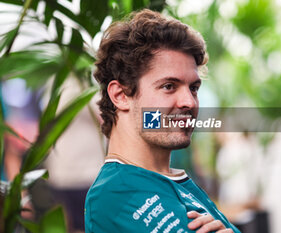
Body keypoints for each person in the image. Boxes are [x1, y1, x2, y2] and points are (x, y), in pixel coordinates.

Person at [84, 9, 241, 233]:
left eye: (194, 88)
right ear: (120, 95)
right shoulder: (113, 194)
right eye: (169, 86)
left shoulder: (181, 183)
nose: (189, 102)